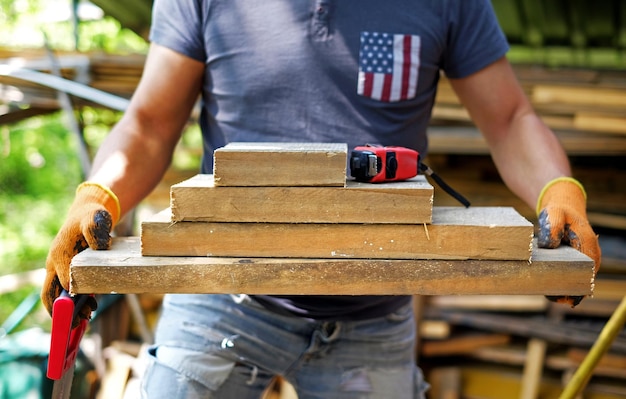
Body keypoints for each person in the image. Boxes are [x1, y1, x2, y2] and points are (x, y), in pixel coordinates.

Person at [42, 1, 601, 397]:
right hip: (219, 288)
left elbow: (508, 119)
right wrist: (98, 195)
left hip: (373, 311)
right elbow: (148, 124)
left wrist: (559, 190)